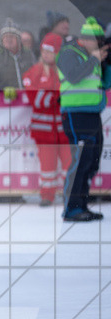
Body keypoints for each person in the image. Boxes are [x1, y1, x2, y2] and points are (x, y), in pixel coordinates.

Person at [57, 17, 107, 222]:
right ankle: (71, 208)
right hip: (75, 115)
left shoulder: (91, 57)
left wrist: (106, 63)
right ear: (83, 39)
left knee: (91, 162)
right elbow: (74, 76)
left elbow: (104, 83)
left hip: (92, 114)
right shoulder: (68, 53)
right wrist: (95, 59)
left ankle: (81, 205)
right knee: (80, 161)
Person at [22, 33, 71, 206]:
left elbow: (68, 93)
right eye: (44, 51)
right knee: (47, 165)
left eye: (50, 52)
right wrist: (53, 97)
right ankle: (47, 195)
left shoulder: (65, 70)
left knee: (68, 163)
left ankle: (69, 194)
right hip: (43, 130)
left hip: (64, 128)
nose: (46, 55)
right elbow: (33, 97)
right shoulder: (34, 72)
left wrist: (54, 96)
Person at [0, 19, 35, 89]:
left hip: (27, 95)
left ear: (18, 39)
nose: (9, 40)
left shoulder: (28, 55)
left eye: (12, 37)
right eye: (6, 37)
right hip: (6, 97)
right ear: (1, 40)